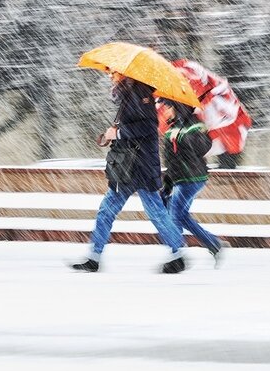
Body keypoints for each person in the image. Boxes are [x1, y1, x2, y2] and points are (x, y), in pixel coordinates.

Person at [71, 72, 187, 274]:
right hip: (130, 165)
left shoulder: (140, 92)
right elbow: (134, 124)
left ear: (125, 73)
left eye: (113, 72)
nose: (110, 75)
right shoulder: (129, 93)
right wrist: (116, 131)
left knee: (153, 213)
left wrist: (118, 133)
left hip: (139, 166)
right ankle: (94, 257)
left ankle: (178, 254)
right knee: (110, 210)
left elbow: (149, 127)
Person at [159, 98, 227, 267]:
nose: (164, 111)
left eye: (167, 107)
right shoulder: (172, 128)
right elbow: (171, 161)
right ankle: (213, 244)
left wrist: (181, 137)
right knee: (180, 215)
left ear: (176, 107)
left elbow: (201, 147)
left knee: (174, 214)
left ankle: (177, 255)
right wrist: (167, 183)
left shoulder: (194, 125)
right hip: (181, 178)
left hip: (192, 178)